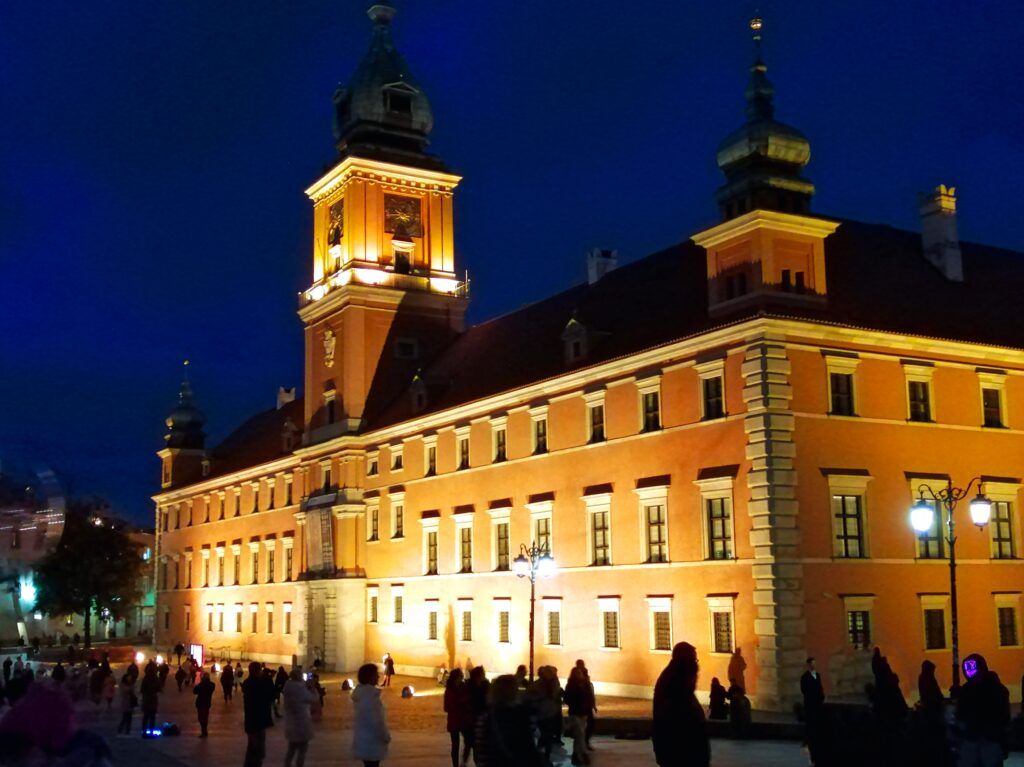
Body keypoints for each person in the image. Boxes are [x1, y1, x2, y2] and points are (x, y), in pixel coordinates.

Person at [652, 642, 709, 767]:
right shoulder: (677, 687)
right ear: (686, 663)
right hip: (681, 753)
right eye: (694, 660)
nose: (697, 665)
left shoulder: (673, 681)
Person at [474, 674, 543, 767]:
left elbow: (480, 750)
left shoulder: (485, 717)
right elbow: (532, 740)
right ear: (513, 692)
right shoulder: (521, 715)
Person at [956, 653, 1010, 767]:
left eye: (972, 667)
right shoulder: (966, 690)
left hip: (990, 740)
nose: (969, 671)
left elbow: (1002, 714)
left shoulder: (995, 689)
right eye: (967, 668)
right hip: (974, 739)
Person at [352, 663, 390, 767]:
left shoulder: (362, 694)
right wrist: (385, 736)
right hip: (372, 741)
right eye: (375, 674)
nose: (378, 676)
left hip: (365, 740)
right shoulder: (370, 697)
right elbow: (376, 720)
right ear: (369, 677)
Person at [243, 661, 276, 767]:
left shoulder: (247, 683)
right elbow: (271, 695)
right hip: (258, 722)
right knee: (258, 752)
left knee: (251, 750)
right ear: (258, 671)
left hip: (250, 722)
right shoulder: (260, 684)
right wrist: (268, 679)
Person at [283, 669, 315, 767]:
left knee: (291, 750)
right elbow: (313, 698)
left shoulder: (287, 687)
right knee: (302, 751)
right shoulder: (300, 688)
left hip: (291, 723)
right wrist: (312, 688)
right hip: (302, 724)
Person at [444, 668, 473, 767]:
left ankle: (462, 763)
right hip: (455, 721)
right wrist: (461, 702)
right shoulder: (450, 690)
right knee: (456, 745)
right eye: (461, 675)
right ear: (456, 676)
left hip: (462, 720)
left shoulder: (463, 687)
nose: (462, 676)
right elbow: (446, 707)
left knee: (468, 741)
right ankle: (456, 765)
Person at [800, 657, 825, 766]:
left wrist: (821, 697)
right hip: (810, 703)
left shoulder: (817, 675)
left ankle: (814, 737)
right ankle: (808, 739)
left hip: (817, 703)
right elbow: (804, 690)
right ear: (808, 665)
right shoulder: (804, 677)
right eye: (812, 664)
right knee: (809, 721)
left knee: (816, 721)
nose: (813, 666)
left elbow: (820, 688)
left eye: (814, 664)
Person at [563, 666, 591, 765]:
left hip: (583, 713)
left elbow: (589, 697)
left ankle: (577, 754)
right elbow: (567, 698)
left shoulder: (585, 684)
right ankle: (582, 754)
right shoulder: (571, 686)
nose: (579, 675)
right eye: (577, 673)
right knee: (580, 734)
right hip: (575, 713)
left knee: (580, 735)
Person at [575, 659, 597, 750]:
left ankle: (584, 743)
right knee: (583, 727)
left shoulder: (584, 676)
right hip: (581, 707)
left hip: (586, 706)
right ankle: (583, 744)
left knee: (588, 725)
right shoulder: (577, 680)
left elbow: (590, 693)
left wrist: (593, 704)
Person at [140, 664, 161, 737]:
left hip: (146, 700)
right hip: (152, 700)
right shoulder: (155, 679)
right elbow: (159, 688)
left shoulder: (145, 679)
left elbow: (142, 690)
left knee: (146, 717)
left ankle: (144, 732)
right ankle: (151, 731)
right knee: (152, 718)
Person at [193, 671, 215, 738]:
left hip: (200, 703)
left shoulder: (201, 685)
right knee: (205, 717)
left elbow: (195, 691)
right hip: (207, 703)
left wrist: (199, 683)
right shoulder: (212, 684)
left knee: (201, 718)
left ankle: (204, 732)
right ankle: (204, 731)